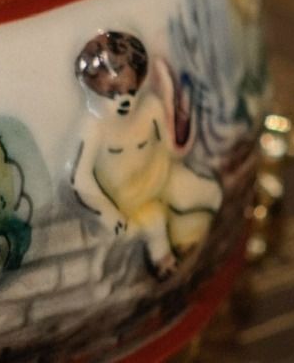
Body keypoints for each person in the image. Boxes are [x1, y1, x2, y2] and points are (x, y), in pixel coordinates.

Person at [71, 31, 221, 280]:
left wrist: (181, 114)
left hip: (162, 179)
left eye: (130, 91)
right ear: (93, 87)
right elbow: (80, 178)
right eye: (113, 92)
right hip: (131, 199)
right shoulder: (94, 128)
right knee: (155, 221)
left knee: (209, 193)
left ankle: (194, 242)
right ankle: (166, 262)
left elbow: (171, 149)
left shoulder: (151, 109)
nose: (124, 100)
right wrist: (108, 213)